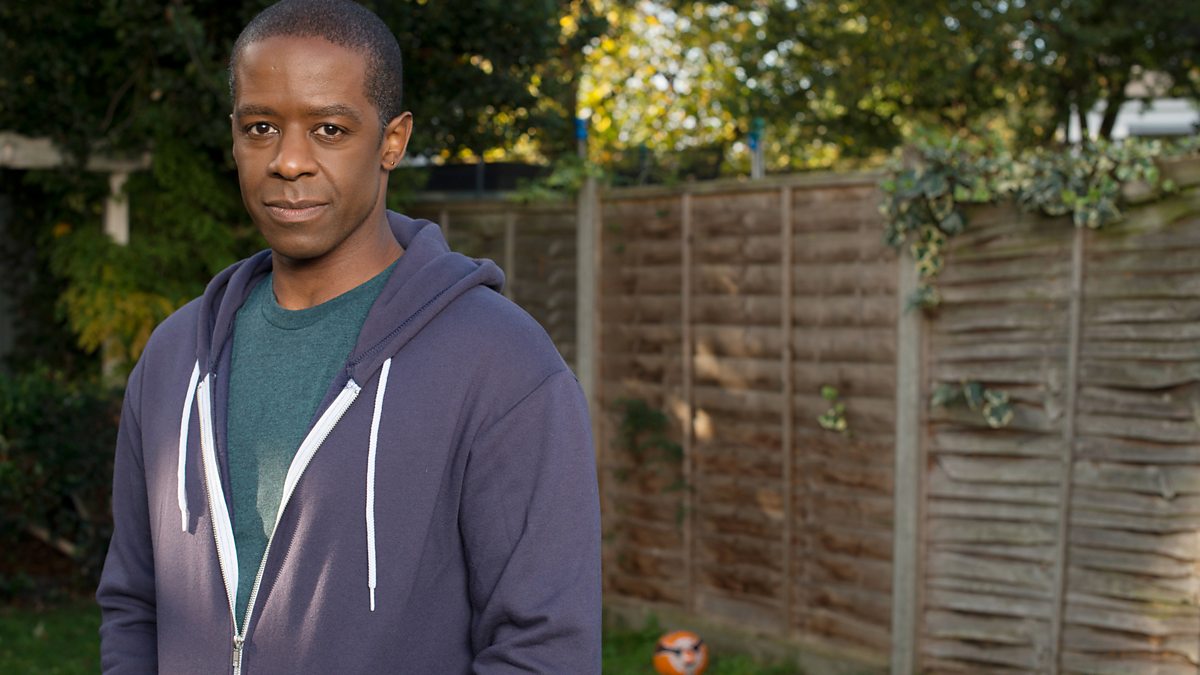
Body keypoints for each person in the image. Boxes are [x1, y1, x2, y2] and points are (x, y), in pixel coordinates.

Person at [95, 1, 602, 672]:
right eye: (261, 127)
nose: (288, 161)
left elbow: (545, 647)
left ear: (392, 141)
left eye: (329, 129)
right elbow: (134, 605)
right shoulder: (174, 356)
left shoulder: (501, 363)